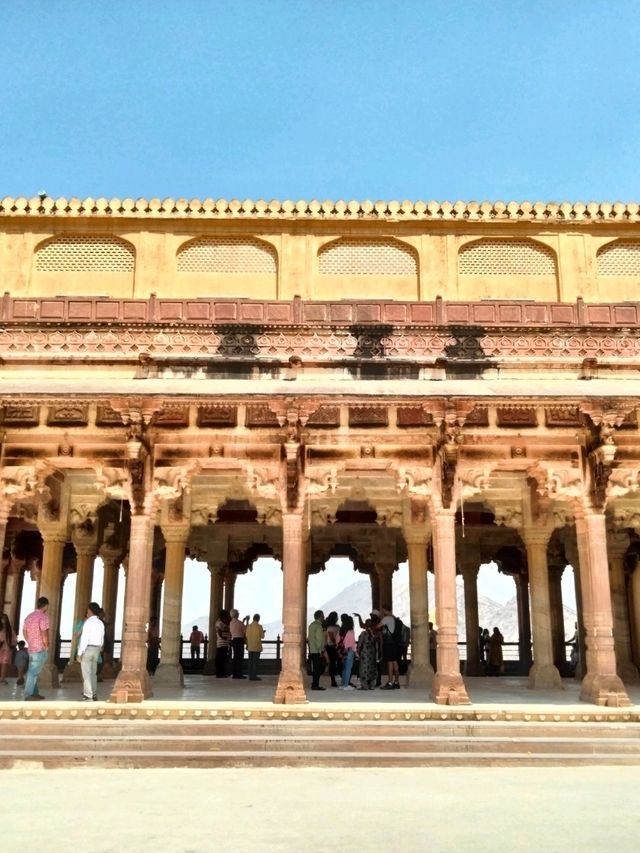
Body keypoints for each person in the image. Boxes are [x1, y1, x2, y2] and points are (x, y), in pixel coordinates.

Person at [22, 596, 49, 701]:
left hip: (31, 648)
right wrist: (46, 644)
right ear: (45, 606)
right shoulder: (43, 617)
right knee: (33, 672)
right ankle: (28, 694)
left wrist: (29, 641)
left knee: (34, 671)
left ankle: (34, 693)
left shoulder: (29, 617)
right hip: (39, 648)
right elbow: (44, 632)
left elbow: (24, 631)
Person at [77, 601, 105, 701]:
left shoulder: (88, 622)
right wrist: (100, 647)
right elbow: (102, 637)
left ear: (90, 610)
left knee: (86, 673)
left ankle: (88, 694)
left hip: (88, 648)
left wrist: (79, 653)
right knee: (93, 673)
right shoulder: (100, 623)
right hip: (97, 649)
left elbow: (84, 638)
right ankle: (94, 693)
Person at [379, 604, 400, 689]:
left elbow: (378, 626)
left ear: (385, 610)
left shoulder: (387, 618)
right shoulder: (394, 618)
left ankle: (390, 682)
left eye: (382, 610)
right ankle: (396, 682)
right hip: (394, 642)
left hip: (389, 643)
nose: (382, 612)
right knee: (395, 662)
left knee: (390, 663)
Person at [357, 619, 377, 690]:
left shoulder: (363, 633)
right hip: (372, 653)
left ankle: (364, 686)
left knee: (364, 669)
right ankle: (372, 685)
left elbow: (360, 644)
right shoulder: (374, 634)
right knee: (372, 669)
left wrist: (358, 652)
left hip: (365, 653)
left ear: (365, 625)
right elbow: (376, 645)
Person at [307, 610, 325, 691]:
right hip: (318, 650)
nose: (324, 617)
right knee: (317, 668)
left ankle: (314, 683)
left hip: (312, 649)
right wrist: (321, 650)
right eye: (322, 615)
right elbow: (319, 639)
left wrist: (310, 649)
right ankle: (315, 685)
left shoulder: (311, 625)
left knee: (314, 668)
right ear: (320, 616)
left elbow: (309, 638)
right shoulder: (319, 626)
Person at [338, 613, 357, 690]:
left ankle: (343, 684)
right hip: (349, 651)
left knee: (344, 668)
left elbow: (338, 640)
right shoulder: (350, 632)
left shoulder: (342, 631)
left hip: (343, 651)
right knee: (348, 668)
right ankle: (346, 685)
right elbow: (352, 643)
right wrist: (356, 652)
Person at [245, 613, 265, 681]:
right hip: (257, 646)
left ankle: (250, 675)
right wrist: (263, 632)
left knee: (250, 661)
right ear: (258, 619)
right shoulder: (259, 627)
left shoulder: (249, 626)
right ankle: (254, 676)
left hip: (250, 646)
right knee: (255, 662)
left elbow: (246, 635)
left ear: (253, 618)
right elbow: (262, 636)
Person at [229, 609, 246, 678]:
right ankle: (239, 674)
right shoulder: (239, 622)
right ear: (236, 614)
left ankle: (235, 674)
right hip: (239, 640)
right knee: (239, 657)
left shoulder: (231, 623)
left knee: (235, 657)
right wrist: (246, 621)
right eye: (238, 613)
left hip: (234, 640)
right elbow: (245, 630)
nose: (239, 614)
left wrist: (244, 620)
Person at [324, 611, 340, 687]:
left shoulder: (330, 627)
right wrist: (336, 644)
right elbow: (332, 638)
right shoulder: (335, 627)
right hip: (333, 646)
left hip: (331, 646)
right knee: (333, 662)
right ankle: (333, 679)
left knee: (332, 662)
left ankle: (333, 678)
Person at [0, 613, 17, 684]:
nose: (4, 620)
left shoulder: (10, 629)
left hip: (7, 648)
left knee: (5, 663)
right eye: (2, 618)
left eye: (5, 618)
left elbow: (14, 639)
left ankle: (2, 679)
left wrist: (12, 645)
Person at [215, 609, 231, 678]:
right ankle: (219, 673)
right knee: (220, 659)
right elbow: (221, 630)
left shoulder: (221, 622)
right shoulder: (219, 623)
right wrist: (223, 637)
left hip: (224, 643)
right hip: (222, 643)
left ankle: (222, 673)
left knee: (223, 659)